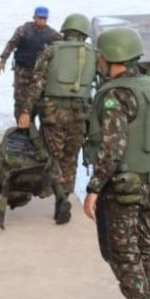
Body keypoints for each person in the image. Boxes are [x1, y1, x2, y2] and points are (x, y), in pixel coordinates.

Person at [82, 26, 150, 299]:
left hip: (121, 186)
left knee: (122, 252)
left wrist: (93, 188)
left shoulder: (116, 95)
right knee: (143, 246)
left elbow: (113, 148)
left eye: (101, 57)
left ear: (109, 59)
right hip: (147, 182)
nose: (99, 62)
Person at [17, 12, 94, 225]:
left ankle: (60, 196)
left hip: (53, 113)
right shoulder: (94, 54)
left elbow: (36, 84)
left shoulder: (50, 51)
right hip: (80, 114)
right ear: (84, 34)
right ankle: (65, 197)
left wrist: (25, 112)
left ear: (65, 31)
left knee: (53, 157)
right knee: (71, 157)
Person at [0, 7, 62, 120]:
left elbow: (65, 45)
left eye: (44, 18)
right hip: (21, 72)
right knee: (20, 101)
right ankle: (21, 129)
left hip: (39, 75)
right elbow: (11, 44)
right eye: (39, 18)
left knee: (38, 103)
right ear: (34, 18)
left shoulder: (52, 34)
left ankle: (33, 129)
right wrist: (3, 60)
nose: (42, 21)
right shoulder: (23, 30)